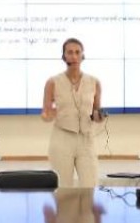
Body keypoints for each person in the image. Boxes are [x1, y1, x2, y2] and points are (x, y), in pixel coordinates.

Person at [41, 38, 104, 188]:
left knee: (90, 186)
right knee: (63, 188)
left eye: (77, 52)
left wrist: (99, 116)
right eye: (70, 52)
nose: (74, 56)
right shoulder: (53, 82)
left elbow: (96, 112)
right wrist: (48, 116)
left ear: (83, 55)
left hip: (86, 139)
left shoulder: (94, 82)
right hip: (62, 138)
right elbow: (46, 113)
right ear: (64, 56)